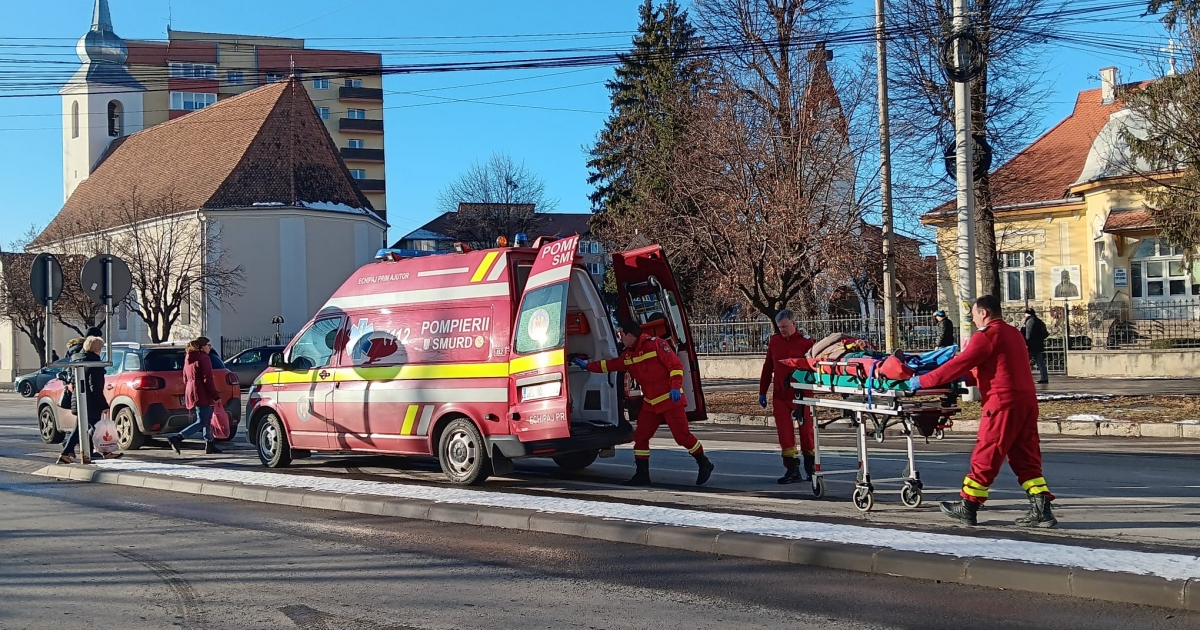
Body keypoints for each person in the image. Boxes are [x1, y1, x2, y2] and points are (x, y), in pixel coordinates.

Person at [907, 295, 1056, 528]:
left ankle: (968, 505)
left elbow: (958, 364)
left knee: (987, 453)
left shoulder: (986, 335)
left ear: (984, 313)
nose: (973, 319)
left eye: (974, 314)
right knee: (1025, 456)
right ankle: (1041, 509)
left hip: (1002, 403)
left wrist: (922, 381)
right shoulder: (1014, 334)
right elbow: (993, 368)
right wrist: (961, 380)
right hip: (1025, 403)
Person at [573, 320, 713, 486]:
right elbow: (611, 365)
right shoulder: (628, 355)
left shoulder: (656, 345)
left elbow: (675, 365)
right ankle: (642, 474)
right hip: (651, 403)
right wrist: (588, 366)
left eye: (621, 335)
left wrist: (675, 387)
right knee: (640, 437)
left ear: (630, 335)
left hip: (669, 400)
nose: (620, 339)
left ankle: (704, 462)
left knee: (682, 437)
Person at [758, 309, 815, 484]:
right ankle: (792, 469)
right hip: (780, 396)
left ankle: (811, 468)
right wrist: (762, 391)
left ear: (794, 323)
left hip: (802, 395)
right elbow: (768, 367)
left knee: (807, 433)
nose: (782, 330)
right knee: (785, 434)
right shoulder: (774, 342)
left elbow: (814, 368)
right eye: (779, 327)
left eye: (785, 326)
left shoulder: (807, 343)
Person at [57, 336, 115, 464]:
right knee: (91, 427)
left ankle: (104, 452)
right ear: (96, 348)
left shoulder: (78, 359)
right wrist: (103, 404)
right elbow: (95, 387)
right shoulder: (94, 363)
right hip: (91, 402)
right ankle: (66, 453)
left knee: (87, 427)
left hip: (80, 399)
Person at [165, 337, 223, 455]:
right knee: (202, 421)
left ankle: (210, 443)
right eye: (208, 345)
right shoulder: (204, 358)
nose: (210, 347)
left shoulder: (188, 358)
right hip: (202, 392)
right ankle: (177, 438)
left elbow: (185, 378)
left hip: (191, 390)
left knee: (206, 418)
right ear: (201, 347)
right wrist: (216, 395)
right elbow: (208, 379)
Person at [1021, 308, 1050, 384]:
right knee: (1040, 362)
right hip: (1038, 345)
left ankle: (1024, 378)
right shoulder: (1039, 321)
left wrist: (1026, 343)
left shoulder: (1030, 321)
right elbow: (1045, 333)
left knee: (1024, 363)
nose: (1024, 315)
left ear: (1028, 314)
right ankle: (1044, 378)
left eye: (1025, 313)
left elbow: (1028, 334)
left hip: (1031, 346)